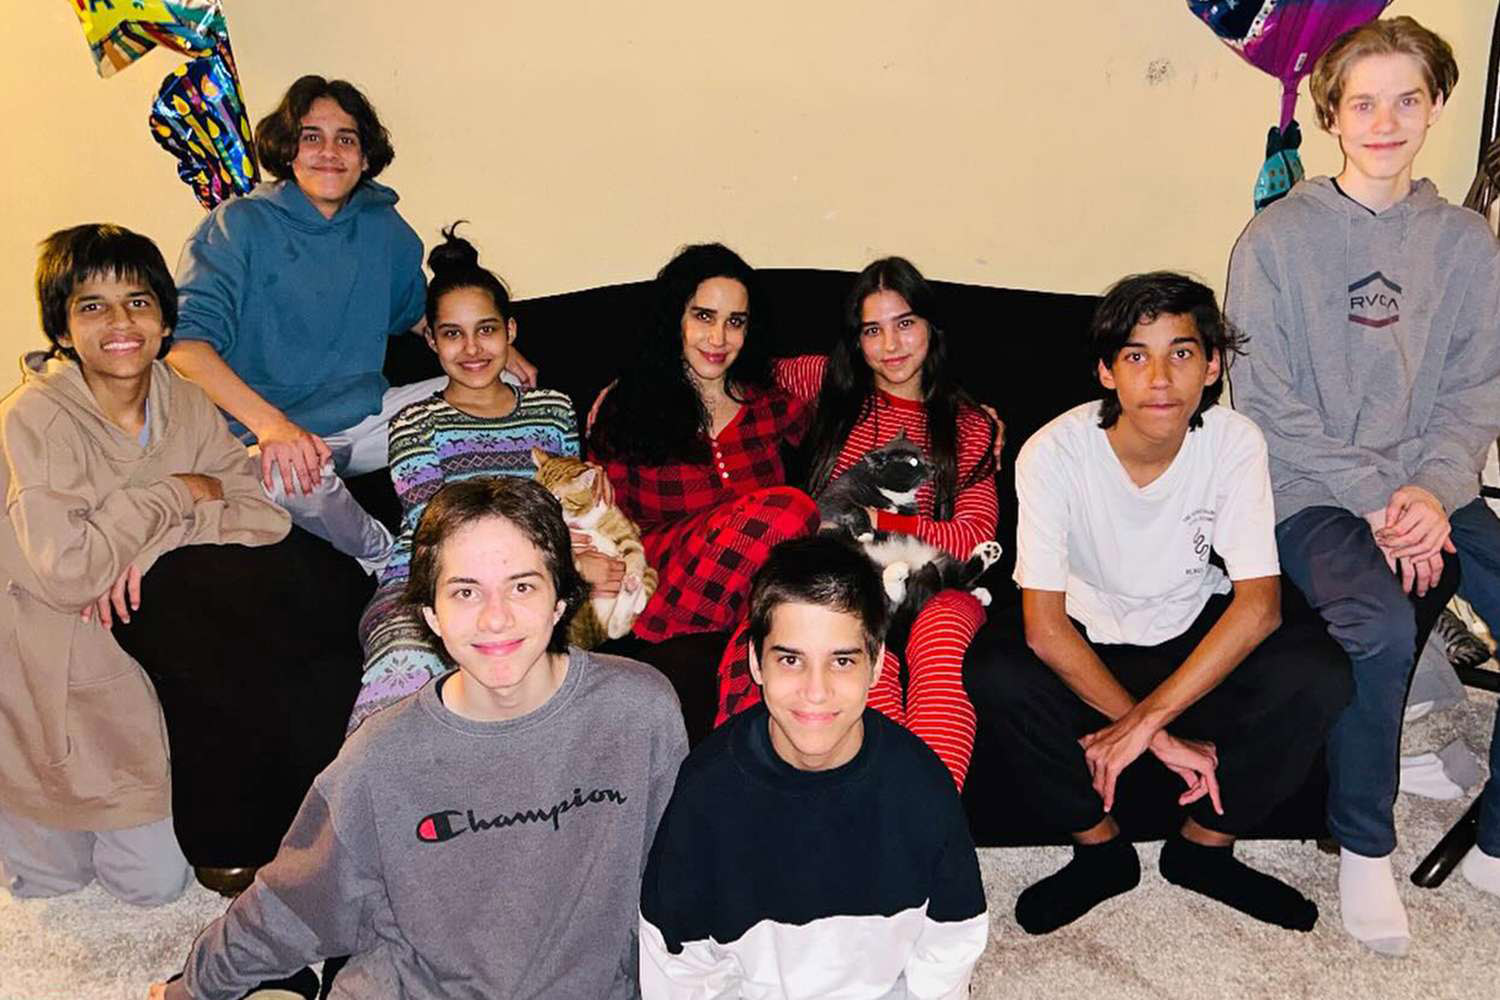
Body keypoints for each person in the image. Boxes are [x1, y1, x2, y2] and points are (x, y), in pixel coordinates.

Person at [152, 478, 688, 999]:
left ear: (560, 601)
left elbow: (681, 876)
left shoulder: (639, 710)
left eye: (522, 586)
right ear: (432, 615)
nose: (495, 618)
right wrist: (193, 988)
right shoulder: (382, 755)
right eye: (465, 592)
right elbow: (295, 900)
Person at [1227, 15, 1500, 955]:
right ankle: (1364, 846)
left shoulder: (1466, 243)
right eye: (1364, 103)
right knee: (1378, 625)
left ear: (1435, 108)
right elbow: (1266, 404)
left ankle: (1495, 843)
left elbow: (1476, 389)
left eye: (1406, 100)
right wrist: (1382, 500)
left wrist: (1428, 490)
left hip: (1434, 487)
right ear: (1332, 114)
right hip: (1311, 490)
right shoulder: (1274, 239)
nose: (1385, 122)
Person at [964, 272, 1351, 935]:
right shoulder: (1052, 453)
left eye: (1182, 352)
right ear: (1106, 372)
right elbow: (1045, 628)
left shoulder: (1234, 441)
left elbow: (1259, 606)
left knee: (1320, 674)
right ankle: (1100, 850)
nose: (1162, 378)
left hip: (1188, 627)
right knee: (995, 673)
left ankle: (1205, 848)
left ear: (1213, 366)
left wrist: (1143, 725)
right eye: (1136, 356)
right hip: (1086, 636)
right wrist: (1160, 736)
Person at [0, 224, 290, 906]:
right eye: (92, 306)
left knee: (153, 886)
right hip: (51, 666)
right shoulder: (35, 417)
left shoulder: (181, 398)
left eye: (138, 302)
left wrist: (156, 540)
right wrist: (178, 491)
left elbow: (264, 516)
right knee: (49, 882)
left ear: (163, 321)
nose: (120, 323)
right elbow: (71, 573)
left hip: (142, 664)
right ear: (63, 330)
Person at [169, 75, 530, 571]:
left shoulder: (385, 228)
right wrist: (273, 428)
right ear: (288, 149)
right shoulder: (237, 225)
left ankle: (503, 542)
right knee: (294, 481)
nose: (329, 152)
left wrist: (492, 347)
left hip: (367, 421)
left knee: (506, 386)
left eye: (346, 139)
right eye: (311, 137)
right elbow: (185, 346)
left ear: (364, 156)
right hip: (268, 438)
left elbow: (417, 314)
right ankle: (387, 560)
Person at [640, 534, 988, 998]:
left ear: (876, 665)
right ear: (756, 663)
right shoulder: (705, 791)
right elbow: (679, 961)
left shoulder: (922, 786)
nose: (816, 691)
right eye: (791, 659)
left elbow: (950, 944)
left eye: (842, 661)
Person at [716, 257, 1000, 789]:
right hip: (848, 580)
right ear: (857, 339)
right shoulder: (828, 384)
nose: (891, 345)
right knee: (862, 648)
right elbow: (729, 359)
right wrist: (634, 389)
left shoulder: (968, 425)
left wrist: (876, 518)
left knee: (940, 637)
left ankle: (930, 816)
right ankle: (876, 813)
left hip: (935, 584)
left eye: (905, 324)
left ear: (932, 327)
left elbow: (974, 537)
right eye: (872, 330)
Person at [350, 226, 583, 730]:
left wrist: (586, 556)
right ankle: (375, 778)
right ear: (431, 340)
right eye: (453, 334)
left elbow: (566, 510)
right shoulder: (415, 423)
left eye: (486, 329)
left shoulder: (554, 410)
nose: (472, 348)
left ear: (511, 332)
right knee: (405, 666)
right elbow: (440, 528)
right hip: (427, 583)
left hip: (530, 580)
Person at [589, 243, 820, 641]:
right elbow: (596, 515)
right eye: (703, 316)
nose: (718, 338)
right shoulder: (627, 407)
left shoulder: (771, 404)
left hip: (754, 593)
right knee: (791, 512)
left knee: (792, 569)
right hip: (658, 577)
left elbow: (851, 376)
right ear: (675, 318)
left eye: (735, 322)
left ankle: (749, 645)